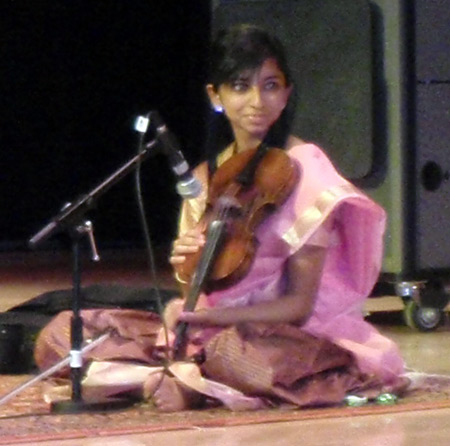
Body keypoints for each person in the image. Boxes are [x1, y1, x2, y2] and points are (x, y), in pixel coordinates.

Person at [34, 24, 408, 411]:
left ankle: (170, 380)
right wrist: (186, 268)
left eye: (270, 85)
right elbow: (195, 293)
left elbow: (298, 306)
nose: (256, 101)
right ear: (216, 95)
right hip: (206, 333)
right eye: (241, 86)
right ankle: (183, 379)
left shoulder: (306, 170)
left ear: (286, 94)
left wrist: (217, 318)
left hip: (279, 336)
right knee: (63, 333)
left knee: (240, 358)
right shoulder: (202, 179)